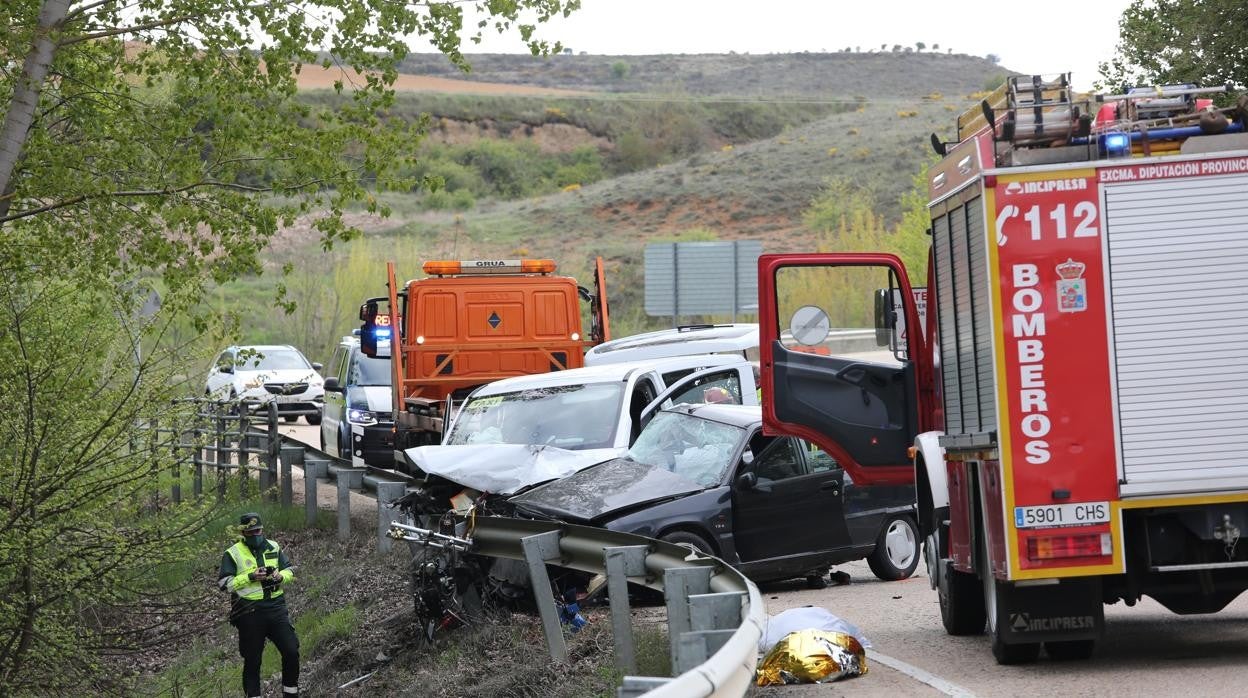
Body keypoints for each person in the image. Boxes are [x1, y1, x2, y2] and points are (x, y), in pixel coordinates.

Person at [218, 512, 300, 698]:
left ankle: (291, 693)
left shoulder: (274, 546)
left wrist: (281, 576)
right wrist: (250, 577)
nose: (255, 535)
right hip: (249, 612)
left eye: (258, 531)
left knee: (291, 650)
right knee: (253, 659)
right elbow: (224, 583)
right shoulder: (233, 553)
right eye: (250, 532)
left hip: (276, 608)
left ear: (262, 529)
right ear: (243, 533)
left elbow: (290, 570)